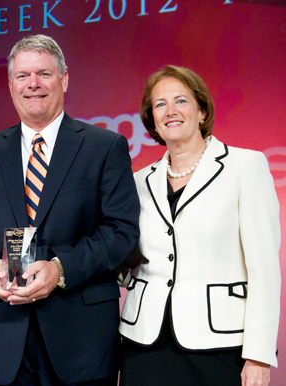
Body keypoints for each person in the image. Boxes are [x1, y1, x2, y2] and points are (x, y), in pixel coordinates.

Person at [0, 34, 140, 386]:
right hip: (3, 340)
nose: (33, 84)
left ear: (64, 79)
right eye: (22, 76)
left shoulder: (104, 147)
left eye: (44, 74)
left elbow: (120, 230)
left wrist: (59, 269)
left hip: (81, 343)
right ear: (10, 85)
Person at [118, 65, 281, 386]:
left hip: (219, 343)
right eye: (160, 104)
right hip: (144, 341)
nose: (170, 111)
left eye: (181, 101)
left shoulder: (245, 166)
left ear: (202, 110)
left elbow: (264, 268)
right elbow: (127, 258)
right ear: (152, 119)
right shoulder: (138, 181)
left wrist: (259, 354)